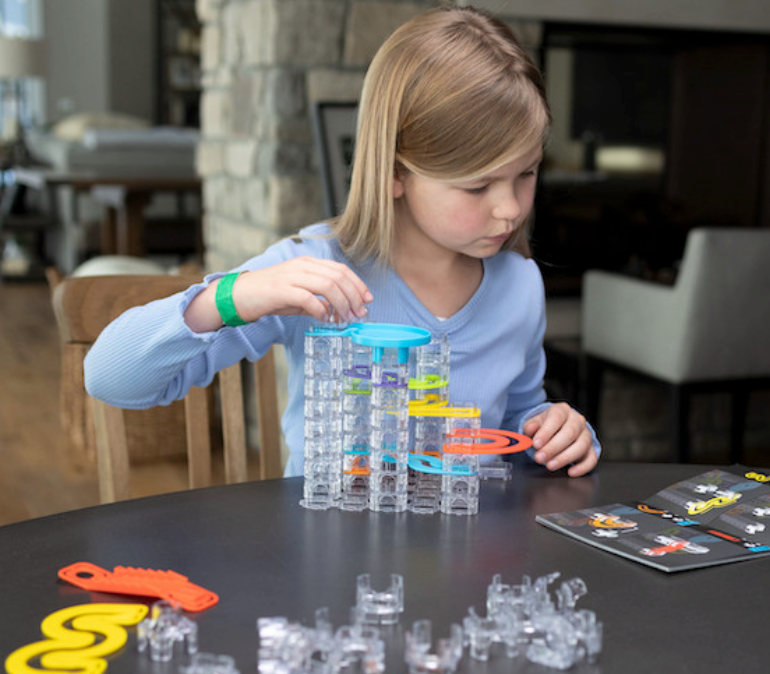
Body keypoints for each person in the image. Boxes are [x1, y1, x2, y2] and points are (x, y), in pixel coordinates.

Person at [85, 5, 600, 478]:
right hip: (329, 564)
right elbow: (110, 379)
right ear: (396, 173)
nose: (510, 207)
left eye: (526, 174)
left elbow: (517, 417)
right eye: (477, 186)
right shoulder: (309, 270)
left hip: (466, 563)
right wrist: (236, 295)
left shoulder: (520, 286)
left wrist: (554, 430)